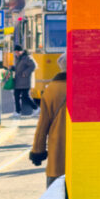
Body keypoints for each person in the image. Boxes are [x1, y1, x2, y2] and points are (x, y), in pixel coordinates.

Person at [30, 51, 66, 190]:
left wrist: (37, 151)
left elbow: (43, 125)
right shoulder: (84, 87)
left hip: (57, 153)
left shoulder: (51, 90)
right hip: (82, 155)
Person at [13, 49, 36, 115]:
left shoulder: (27, 58)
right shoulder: (17, 58)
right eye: (15, 52)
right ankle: (18, 111)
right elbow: (18, 68)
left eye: (17, 51)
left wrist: (26, 73)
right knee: (16, 96)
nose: (16, 53)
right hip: (18, 81)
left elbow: (33, 66)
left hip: (25, 81)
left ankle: (36, 108)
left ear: (22, 51)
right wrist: (12, 68)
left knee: (25, 97)